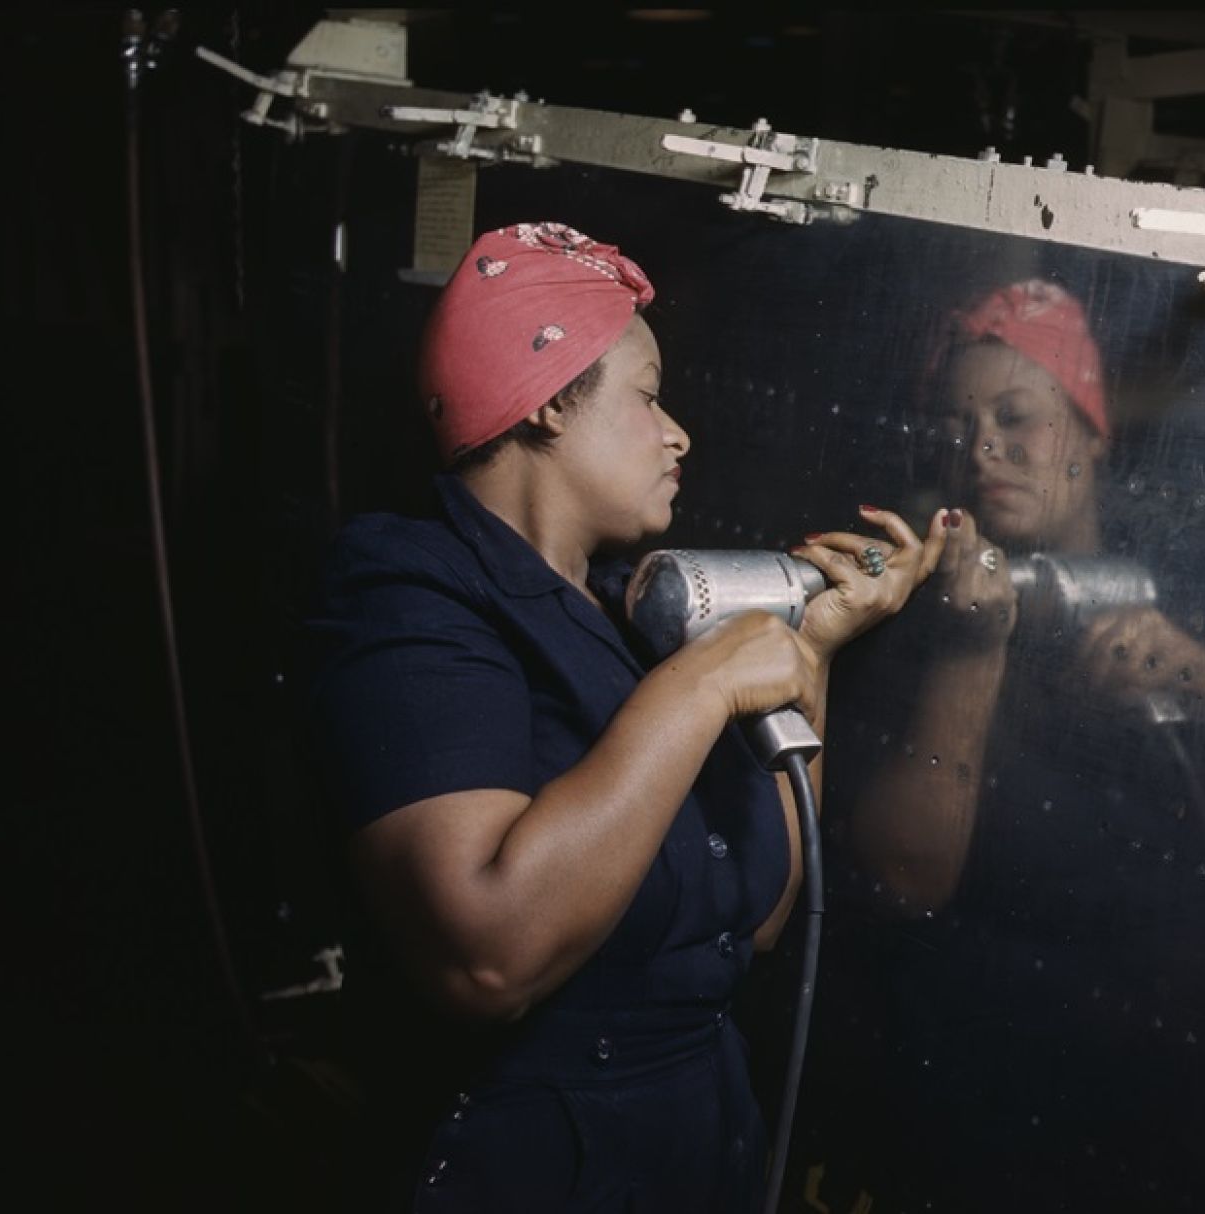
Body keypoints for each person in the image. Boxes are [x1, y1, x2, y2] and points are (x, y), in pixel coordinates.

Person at [303, 221, 950, 1213]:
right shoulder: (410, 595)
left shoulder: (619, 612)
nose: (677, 432)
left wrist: (809, 649)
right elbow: (484, 954)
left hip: (696, 1145)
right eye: (647, 397)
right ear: (553, 401)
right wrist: (699, 688)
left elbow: (766, 916)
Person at [813, 278, 1205, 1211]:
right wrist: (970, 648)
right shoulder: (902, 612)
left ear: (1089, 430)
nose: (982, 448)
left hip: (1189, 1095)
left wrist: (1198, 674)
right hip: (979, 1102)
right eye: (955, 424)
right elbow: (899, 878)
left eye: (1016, 416)